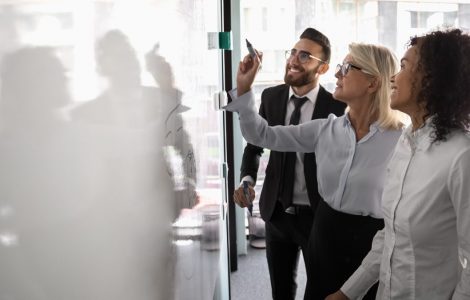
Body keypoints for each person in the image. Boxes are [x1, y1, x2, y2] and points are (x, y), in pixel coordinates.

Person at [225, 41, 406, 299]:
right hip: (325, 233)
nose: (337, 73)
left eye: (347, 67)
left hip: (372, 244)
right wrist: (244, 88)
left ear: (373, 83)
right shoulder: (324, 130)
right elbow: (261, 135)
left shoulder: (400, 140)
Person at [326, 28, 470, 300]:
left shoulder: (461, 155)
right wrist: (347, 293)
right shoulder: (405, 142)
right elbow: (389, 237)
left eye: (403, 66)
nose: (393, 77)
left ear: (431, 79)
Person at [232, 28, 346, 300]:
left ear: (324, 67)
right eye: (293, 52)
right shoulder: (271, 97)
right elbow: (255, 146)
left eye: (305, 56)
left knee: (320, 290)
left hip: (318, 216)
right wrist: (247, 180)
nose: (293, 60)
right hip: (277, 212)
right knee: (281, 292)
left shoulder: (337, 107)